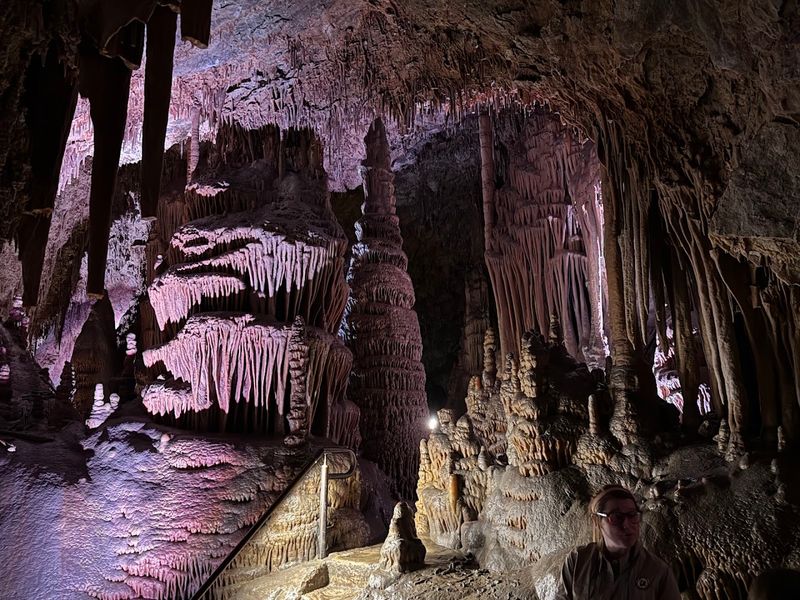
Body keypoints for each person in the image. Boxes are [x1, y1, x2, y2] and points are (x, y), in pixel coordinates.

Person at [555, 485, 680, 600]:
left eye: (632, 515)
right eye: (616, 517)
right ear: (596, 521)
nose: (626, 525)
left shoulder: (658, 571)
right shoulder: (578, 561)